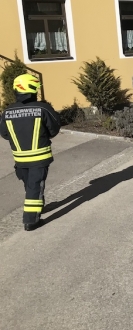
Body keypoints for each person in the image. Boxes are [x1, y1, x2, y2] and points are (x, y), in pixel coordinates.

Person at [0, 74, 61, 231]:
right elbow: (54, 129)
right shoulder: (42, 108)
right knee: (35, 186)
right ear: (33, 90)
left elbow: (4, 134)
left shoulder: (7, 112)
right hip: (40, 158)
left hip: (20, 160)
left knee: (30, 186)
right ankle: (30, 221)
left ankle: (38, 207)